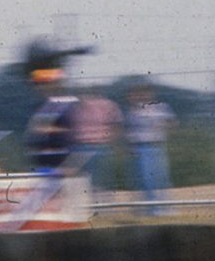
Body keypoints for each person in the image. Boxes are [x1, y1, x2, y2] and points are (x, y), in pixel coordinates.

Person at [126, 83, 177, 216]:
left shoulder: (161, 107)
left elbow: (172, 122)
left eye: (147, 92)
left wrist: (163, 127)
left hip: (158, 146)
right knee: (146, 179)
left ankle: (165, 207)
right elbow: (130, 130)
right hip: (142, 147)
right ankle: (151, 208)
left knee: (162, 178)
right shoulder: (135, 110)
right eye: (142, 92)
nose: (145, 95)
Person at [73, 93, 123, 196]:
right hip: (83, 146)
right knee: (86, 180)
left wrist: (113, 143)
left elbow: (116, 125)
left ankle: (104, 204)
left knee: (103, 178)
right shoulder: (77, 106)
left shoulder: (109, 105)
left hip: (101, 146)